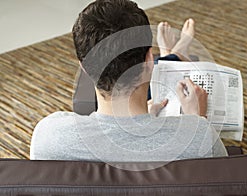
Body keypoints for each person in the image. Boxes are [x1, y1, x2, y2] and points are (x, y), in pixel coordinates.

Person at [30, 0, 227, 161]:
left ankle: (173, 54)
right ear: (150, 60)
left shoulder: (48, 136)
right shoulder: (201, 137)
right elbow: (213, 175)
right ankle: (173, 55)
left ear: (84, 69)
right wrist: (197, 120)